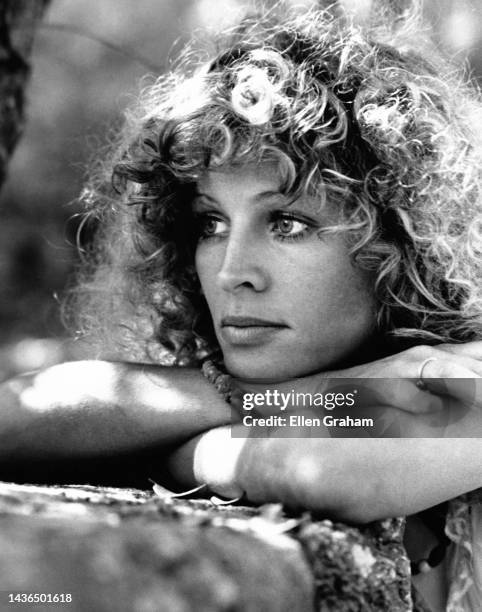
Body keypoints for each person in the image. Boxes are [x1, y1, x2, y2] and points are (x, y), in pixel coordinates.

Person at [1, 2, 481, 610]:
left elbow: (330, 472)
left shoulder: (468, 373)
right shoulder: (373, 383)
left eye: (287, 222)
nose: (232, 272)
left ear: (403, 245)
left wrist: (170, 446)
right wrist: (317, 389)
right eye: (211, 223)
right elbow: (18, 416)